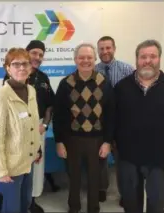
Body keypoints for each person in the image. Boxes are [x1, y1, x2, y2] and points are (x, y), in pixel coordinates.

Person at [53, 43, 115, 213]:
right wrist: (59, 141)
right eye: (81, 57)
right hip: (72, 139)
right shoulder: (66, 83)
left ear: (94, 59)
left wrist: (107, 141)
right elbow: (58, 115)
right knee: (74, 177)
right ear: (75, 60)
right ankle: (74, 207)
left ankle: (93, 208)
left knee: (95, 177)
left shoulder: (104, 82)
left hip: (97, 139)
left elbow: (110, 115)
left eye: (89, 57)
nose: (85, 61)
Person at [114, 39, 164, 213]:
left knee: (158, 202)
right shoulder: (122, 87)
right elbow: (113, 119)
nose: (147, 61)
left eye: (152, 56)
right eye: (143, 57)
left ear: (159, 59)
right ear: (137, 60)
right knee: (131, 203)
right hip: (128, 156)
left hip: (160, 156)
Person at [2, 40, 57, 213]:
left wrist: (45, 125)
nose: (37, 57)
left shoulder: (43, 78)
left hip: (39, 128)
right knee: (19, 167)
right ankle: (17, 203)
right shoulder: (12, 78)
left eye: (41, 55)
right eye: (34, 53)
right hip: (18, 130)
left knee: (36, 167)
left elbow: (50, 105)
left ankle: (31, 201)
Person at [0, 47, 41, 213]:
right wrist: (1, 171)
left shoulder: (31, 90)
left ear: (31, 68)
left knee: (25, 204)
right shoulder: (2, 97)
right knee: (12, 209)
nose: (22, 68)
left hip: (28, 162)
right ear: (8, 68)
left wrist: (37, 149)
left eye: (25, 63)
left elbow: (33, 125)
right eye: (16, 64)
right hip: (10, 167)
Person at [95, 36, 134, 204]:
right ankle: (101, 188)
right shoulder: (93, 71)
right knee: (100, 159)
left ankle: (125, 193)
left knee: (122, 161)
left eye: (108, 48)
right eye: (101, 49)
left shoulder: (127, 70)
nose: (105, 52)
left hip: (122, 124)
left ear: (114, 48)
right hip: (100, 124)